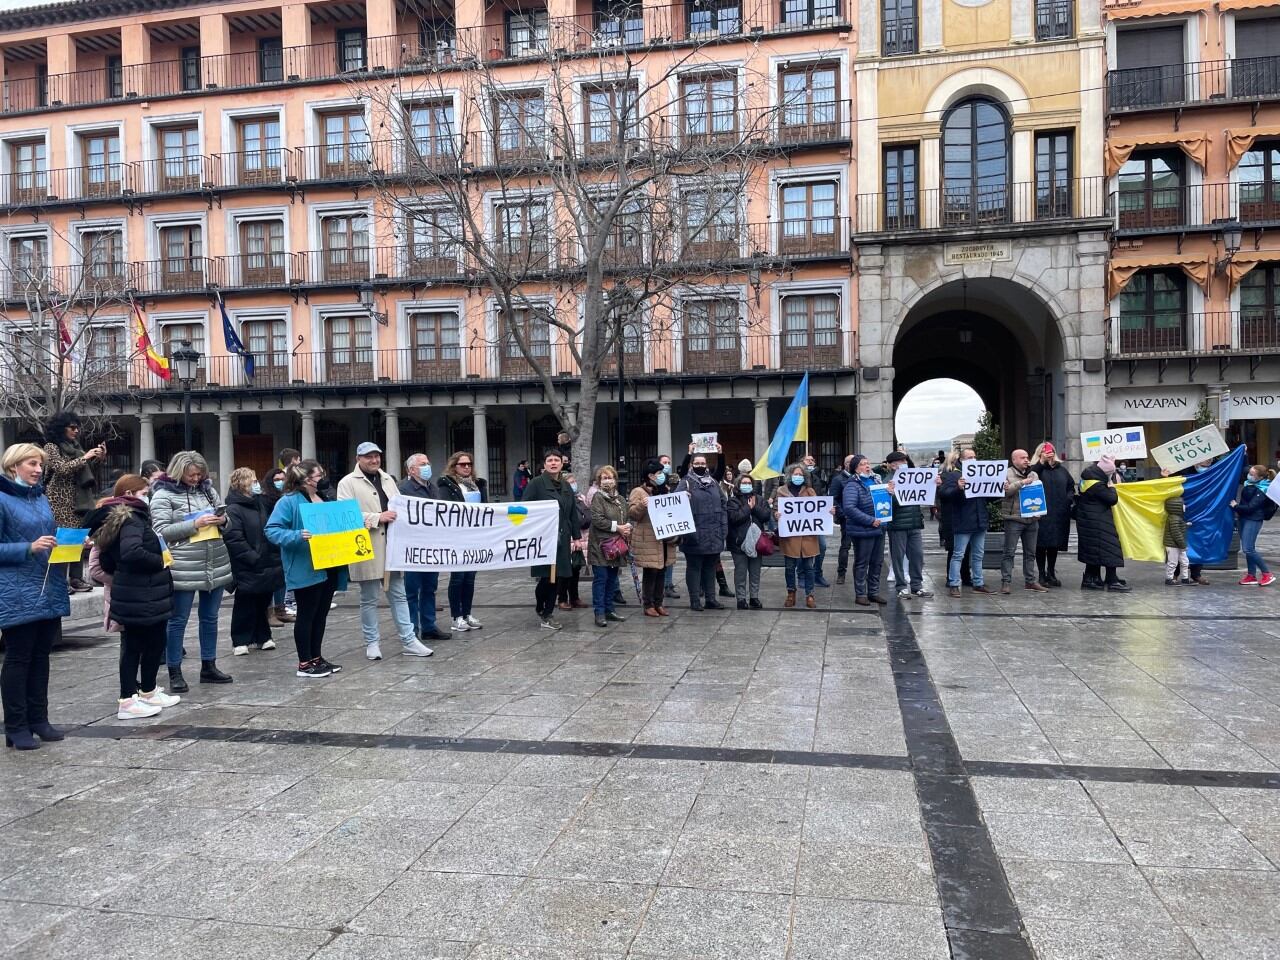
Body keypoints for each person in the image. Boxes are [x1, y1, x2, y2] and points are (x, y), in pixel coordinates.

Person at [85, 474, 180, 720]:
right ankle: (128, 699)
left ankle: (148, 691)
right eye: (144, 492)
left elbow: (110, 558)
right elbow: (130, 552)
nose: (147, 495)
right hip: (139, 593)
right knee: (134, 646)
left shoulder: (132, 517)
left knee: (153, 642)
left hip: (147, 593)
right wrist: (160, 562)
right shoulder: (131, 519)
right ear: (130, 494)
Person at [0, 444, 70, 750]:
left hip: (46, 585)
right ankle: (16, 726)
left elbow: (47, 536)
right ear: (14, 465)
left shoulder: (40, 496)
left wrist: (69, 543)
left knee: (42, 657)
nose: (39, 469)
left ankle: (39, 719)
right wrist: (28, 547)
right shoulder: (2, 499)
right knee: (18, 658)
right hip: (15, 590)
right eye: (32, 464)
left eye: (40, 465)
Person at [336, 442, 434, 661]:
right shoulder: (347, 483)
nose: (374, 460)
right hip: (366, 547)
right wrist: (376, 517)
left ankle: (409, 640)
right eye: (369, 457)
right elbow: (345, 514)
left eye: (377, 456)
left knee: (399, 595)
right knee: (369, 598)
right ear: (358, 459)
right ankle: (372, 642)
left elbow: (399, 506)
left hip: (392, 547)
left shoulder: (388, 479)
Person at [149, 450, 234, 692]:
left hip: (213, 560)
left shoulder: (208, 490)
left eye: (199, 474)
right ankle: (174, 670)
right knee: (178, 621)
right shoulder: (163, 494)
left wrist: (223, 521)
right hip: (183, 563)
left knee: (210, 617)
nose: (196, 478)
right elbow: (160, 530)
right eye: (191, 475)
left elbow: (228, 521)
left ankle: (209, 665)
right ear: (178, 472)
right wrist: (194, 525)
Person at [266, 460, 347, 677]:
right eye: (318, 475)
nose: (322, 478)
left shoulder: (323, 497)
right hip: (305, 565)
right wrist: (296, 535)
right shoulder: (288, 501)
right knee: (307, 614)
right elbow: (272, 530)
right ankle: (304, 662)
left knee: (321, 613)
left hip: (329, 563)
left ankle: (316, 657)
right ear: (305, 479)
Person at [222, 467, 284, 657]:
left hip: (268, 560)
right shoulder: (233, 508)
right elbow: (234, 537)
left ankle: (262, 636)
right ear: (243, 484)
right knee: (246, 601)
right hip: (248, 563)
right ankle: (240, 639)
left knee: (263, 599)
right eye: (253, 481)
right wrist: (252, 557)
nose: (257, 484)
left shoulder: (260, 503)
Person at [42, 411, 103, 593]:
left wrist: (97, 459)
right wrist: (85, 457)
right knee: (63, 539)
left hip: (78, 499)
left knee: (78, 538)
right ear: (61, 428)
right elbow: (61, 468)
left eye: (78, 427)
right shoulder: (51, 447)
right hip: (59, 500)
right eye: (72, 427)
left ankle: (76, 579)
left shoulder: (75, 447)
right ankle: (60, 581)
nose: (76, 431)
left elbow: (85, 471)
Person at [399, 453, 452, 644]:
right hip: (413, 547)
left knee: (430, 587)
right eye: (423, 464)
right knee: (412, 590)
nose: (427, 466)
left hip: (431, 546)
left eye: (428, 463)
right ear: (411, 469)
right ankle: (412, 629)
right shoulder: (403, 489)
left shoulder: (432, 487)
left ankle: (429, 626)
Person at [522, 449, 576, 629]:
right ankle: (540, 604)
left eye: (556, 460)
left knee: (557, 577)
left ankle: (548, 614)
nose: (553, 463)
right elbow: (525, 509)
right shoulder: (536, 484)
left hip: (563, 538)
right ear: (544, 464)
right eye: (549, 460)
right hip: (543, 538)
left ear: (562, 463)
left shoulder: (566, 486)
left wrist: (576, 537)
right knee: (545, 577)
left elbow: (572, 513)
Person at [436, 451, 487, 633]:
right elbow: (445, 506)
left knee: (470, 578)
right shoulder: (446, 484)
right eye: (462, 464)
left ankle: (467, 613)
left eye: (469, 464)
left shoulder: (478, 484)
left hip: (474, 536)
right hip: (457, 536)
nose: (466, 467)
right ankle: (456, 616)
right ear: (454, 466)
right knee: (458, 577)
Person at [937, 448, 996, 598]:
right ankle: (954, 584)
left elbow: (987, 498)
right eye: (969, 457)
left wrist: (998, 491)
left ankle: (978, 583)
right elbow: (944, 494)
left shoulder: (981, 474)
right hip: (963, 520)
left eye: (975, 457)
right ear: (962, 460)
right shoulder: (953, 475)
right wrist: (958, 488)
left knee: (978, 554)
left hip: (979, 520)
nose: (973, 459)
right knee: (958, 554)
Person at [676, 450, 729, 610]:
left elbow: (723, 503)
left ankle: (711, 599)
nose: (700, 466)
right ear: (692, 465)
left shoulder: (713, 482)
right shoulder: (685, 482)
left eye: (703, 463)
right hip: (694, 534)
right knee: (694, 568)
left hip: (714, 534)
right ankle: (694, 600)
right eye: (697, 463)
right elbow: (675, 501)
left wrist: (723, 528)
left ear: (707, 465)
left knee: (710, 568)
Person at [629, 459, 677, 617]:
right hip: (649, 538)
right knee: (651, 572)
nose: (662, 476)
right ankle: (648, 604)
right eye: (659, 473)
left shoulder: (665, 490)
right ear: (650, 475)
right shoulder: (638, 492)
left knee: (662, 570)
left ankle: (659, 602)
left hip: (664, 537)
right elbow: (633, 514)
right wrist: (643, 505)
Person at [775, 463, 826, 608]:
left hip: (808, 536)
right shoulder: (781, 490)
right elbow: (775, 509)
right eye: (795, 474)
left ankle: (810, 595)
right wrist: (776, 514)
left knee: (809, 567)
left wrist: (828, 512)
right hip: (790, 536)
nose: (798, 477)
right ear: (790, 476)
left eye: (800, 475)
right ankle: (791, 593)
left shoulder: (810, 491)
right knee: (790, 567)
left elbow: (818, 509)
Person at [1076, 455, 1129, 592]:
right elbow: (1112, 499)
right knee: (1110, 548)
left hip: (1089, 519)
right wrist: (1111, 487)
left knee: (1094, 551)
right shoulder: (1098, 485)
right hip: (1098, 520)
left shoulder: (1088, 479)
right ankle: (1111, 580)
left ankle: (1092, 579)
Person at [883, 451, 932, 600]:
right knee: (898, 557)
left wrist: (933, 483)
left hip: (914, 523)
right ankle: (901, 587)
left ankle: (917, 586)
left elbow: (925, 493)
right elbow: (885, 506)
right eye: (899, 461)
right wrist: (890, 494)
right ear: (892, 465)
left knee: (917, 555)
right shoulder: (888, 481)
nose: (903, 463)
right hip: (897, 525)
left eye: (905, 460)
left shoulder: (913, 478)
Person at [1000, 449, 1048, 594]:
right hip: (1014, 519)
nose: (1026, 460)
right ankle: (1006, 582)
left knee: (1031, 553)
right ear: (1014, 460)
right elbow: (1005, 492)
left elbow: (1038, 493)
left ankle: (1030, 581)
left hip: (1032, 519)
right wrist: (1022, 483)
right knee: (1009, 552)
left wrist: (1039, 511)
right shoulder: (1006, 474)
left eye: (1027, 457)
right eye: (1023, 458)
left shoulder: (1033, 474)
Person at [587, 465, 630, 627]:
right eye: (604, 478)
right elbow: (597, 519)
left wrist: (627, 527)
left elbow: (627, 517)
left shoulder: (620, 500)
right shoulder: (598, 497)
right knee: (601, 578)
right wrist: (617, 527)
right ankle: (599, 612)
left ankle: (609, 609)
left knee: (612, 579)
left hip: (617, 545)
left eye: (610, 477)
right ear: (599, 481)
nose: (608, 481)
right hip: (600, 545)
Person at [842, 454, 888, 605]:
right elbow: (849, 508)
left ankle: (873, 592)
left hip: (879, 527)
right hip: (863, 529)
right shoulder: (852, 485)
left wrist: (890, 494)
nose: (867, 466)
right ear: (855, 468)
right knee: (862, 562)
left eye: (868, 463)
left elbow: (882, 501)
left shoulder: (876, 481)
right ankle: (860, 594)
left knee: (877, 561)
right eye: (862, 464)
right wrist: (870, 521)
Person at [1029, 442, 1073, 587]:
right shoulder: (1036, 469)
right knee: (1041, 544)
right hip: (1042, 512)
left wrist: (1068, 499)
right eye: (1045, 451)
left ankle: (1051, 573)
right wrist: (1042, 462)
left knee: (1054, 544)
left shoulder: (1062, 470)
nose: (1049, 453)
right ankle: (1041, 574)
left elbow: (1070, 486)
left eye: (1051, 451)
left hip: (1059, 513)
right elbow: (1031, 478)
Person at [727, 468, 770, 609]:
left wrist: (754, 507)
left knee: (755, 571)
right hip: (739, 543)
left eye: (749, 483)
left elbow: (765, 516)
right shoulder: (733, 501)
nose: (747, 485)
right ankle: (741, 598)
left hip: (757, 543)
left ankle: (754, 597)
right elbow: (734, 518)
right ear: (739, 485)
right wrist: (747, 508)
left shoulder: (760, 499)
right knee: (740, 572)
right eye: (744, 483)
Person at [1232, 464, 1274, 586]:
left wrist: (1236, 506)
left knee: (1248, 548)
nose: (1248, 475)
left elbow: (1252, 507)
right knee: (1249, 548)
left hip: (1253, 519)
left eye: (1252, 474)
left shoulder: (1262, 489)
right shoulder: (1249, 484)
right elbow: (1242, 465)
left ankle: (1267, 573)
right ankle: (1251, 575)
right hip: (1243, 518)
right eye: (1249, 473)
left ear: (1260, 477)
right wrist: (1243, 452)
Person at [557, 472, 590, 611]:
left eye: (574, 481)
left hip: (580, 537)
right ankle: (562, 598)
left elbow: (587, 515)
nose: (573, 484)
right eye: (570, 482)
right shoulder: (562, 498)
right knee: (566, 571)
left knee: (576, 569)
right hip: (568, 538)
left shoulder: (580, 498)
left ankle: (574, 597)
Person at [828, 455, 855, 585]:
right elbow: (833, 498)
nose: (852, 464)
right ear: (845, 464)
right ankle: (841, 573)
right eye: (850, 462)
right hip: (848, 519)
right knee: (845, 546)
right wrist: (843, 514)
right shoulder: (838, 479)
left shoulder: (860, 478)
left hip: (862, 519)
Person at [656, 453, 680, 600]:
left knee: (670, 556)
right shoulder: (655, 481)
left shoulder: (672, 480)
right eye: (664, 462)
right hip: (659, 524)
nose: (667, 464)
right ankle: (660, 586)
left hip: (670, 523)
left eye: (669, 462)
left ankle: (668, 584)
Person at [1163, 486, 1192, 585]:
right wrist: (1183, 545)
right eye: (1183, 504)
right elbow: (1176, 533)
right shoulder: (1174, 518)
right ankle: (1169, 579)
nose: (1184, 506)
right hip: (1173, 545)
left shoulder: (1176, 518)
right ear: (1177, 506)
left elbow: (1177, 528)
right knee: (1173, 562)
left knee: (1185, 562)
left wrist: (1185, 525)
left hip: (1177, 545)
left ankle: (1185, 578)